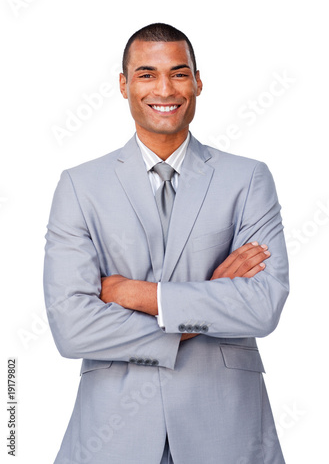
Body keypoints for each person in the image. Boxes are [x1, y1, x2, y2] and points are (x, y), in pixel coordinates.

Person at [44, 23, 289, 464]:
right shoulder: (80, 186)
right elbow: (71, 328)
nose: (165, 89)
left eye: (179, 74)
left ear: (197, 81)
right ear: (123, 85)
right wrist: (208, 300)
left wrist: (132, 294)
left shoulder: (248, 179)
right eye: (146, 74)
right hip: (112, 434)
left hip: (226, 427)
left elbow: (262, 306)